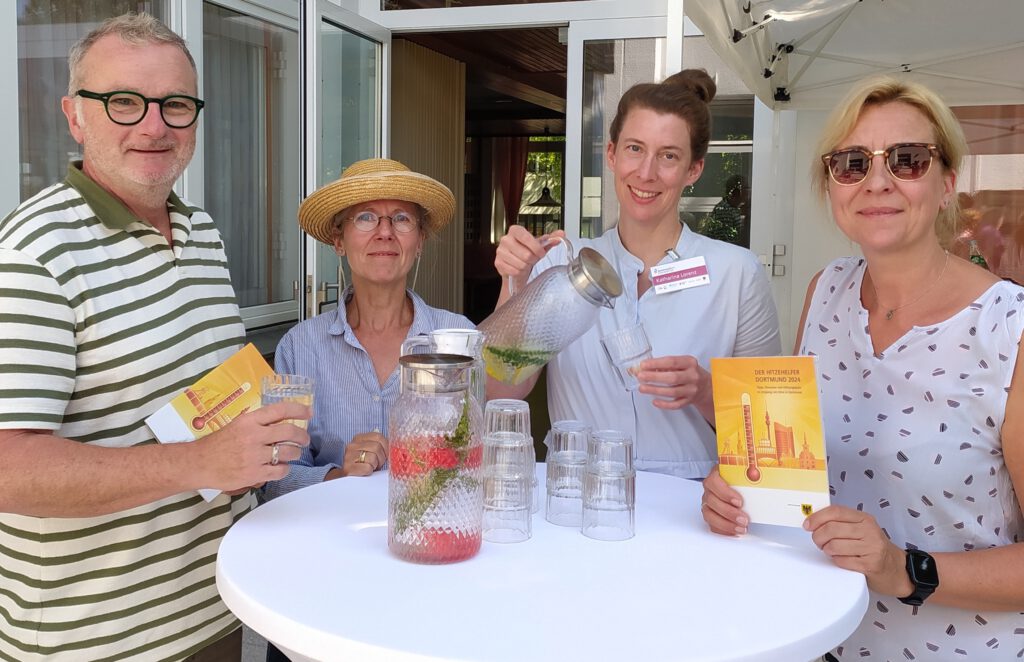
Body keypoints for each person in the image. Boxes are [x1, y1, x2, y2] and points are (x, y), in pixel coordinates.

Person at [0, 14, 310, 661]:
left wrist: (250, 442)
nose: (153, 126)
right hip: (92, 642)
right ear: (74, 115)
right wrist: (199, 463)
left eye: (174, 104)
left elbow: (203, 400)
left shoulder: (200, 232)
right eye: (123, 102)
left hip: (213, 617)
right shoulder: (35, 253)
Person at [701, 76, 1024, 660]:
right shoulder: (826, 292)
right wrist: (742, 490)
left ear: (948, 182)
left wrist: (903, 569)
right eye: (852, 163)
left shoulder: (1009, 331)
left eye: (907, 159)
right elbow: (799, 470)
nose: (878, 180)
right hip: (824, 637)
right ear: (831, 187)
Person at [494, 69, 781, 479]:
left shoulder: (736, 273)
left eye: (668, 156)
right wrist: (515, 284)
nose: (646, 173)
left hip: (691, 506)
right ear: (611, 154)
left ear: (694, 169)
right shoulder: (559, 265)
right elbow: (502, 390)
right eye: (634, 148)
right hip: (579, 500)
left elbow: (768, 430)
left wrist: (704, 390)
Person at [262, 158, 475, 499]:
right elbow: (275, 479)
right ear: (339, 241)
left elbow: (479, 459)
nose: (385, 231)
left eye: (402, 219)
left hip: (433, 534)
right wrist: (339, 476)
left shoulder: (456, 339)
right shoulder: (300, 347)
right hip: (333, 540)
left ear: (419, 241)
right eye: (365, 217)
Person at [700, 173, 751, 246]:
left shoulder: (733, 208)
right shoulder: (724, 211)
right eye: (746, 188)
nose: (749, 192)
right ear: (736, 192)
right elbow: (726, 243)